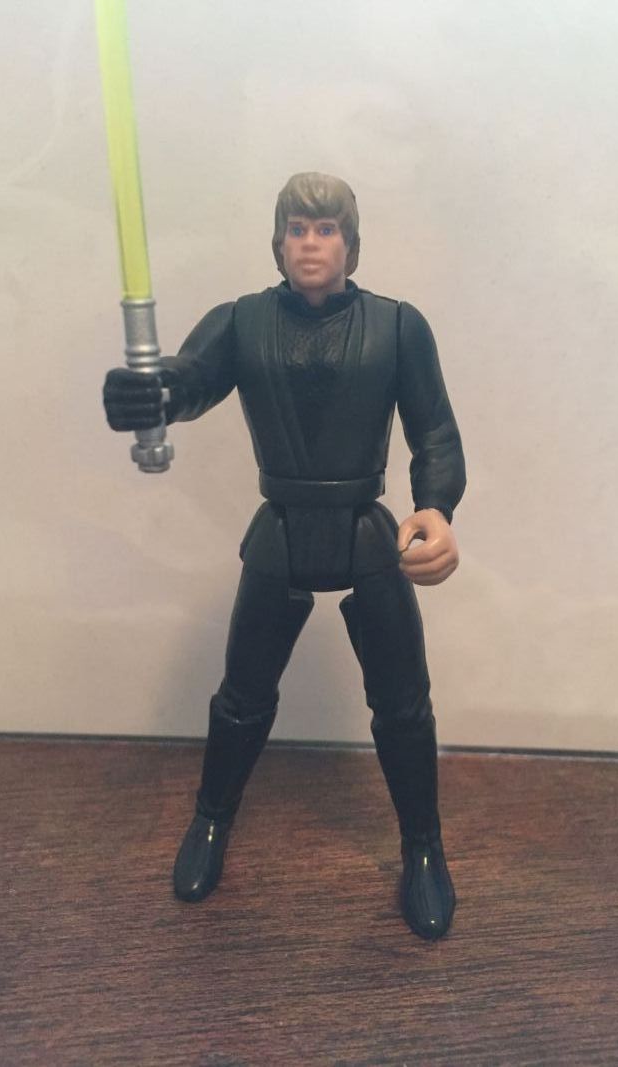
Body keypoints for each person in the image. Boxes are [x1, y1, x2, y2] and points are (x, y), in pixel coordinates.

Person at [103, 172, 466, 940]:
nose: (310, 243)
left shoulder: (398, 326)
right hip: (281, 527)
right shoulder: (243, 321)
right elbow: (191, 379)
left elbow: (434, 430)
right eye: (297, 229)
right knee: (242, 694)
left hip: (366, 530)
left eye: (325, 230)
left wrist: (436, 506)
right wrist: (152, 392)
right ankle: (211, 818)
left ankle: (423, 846)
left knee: (403, 701)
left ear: (350, 245)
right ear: (278, 243)